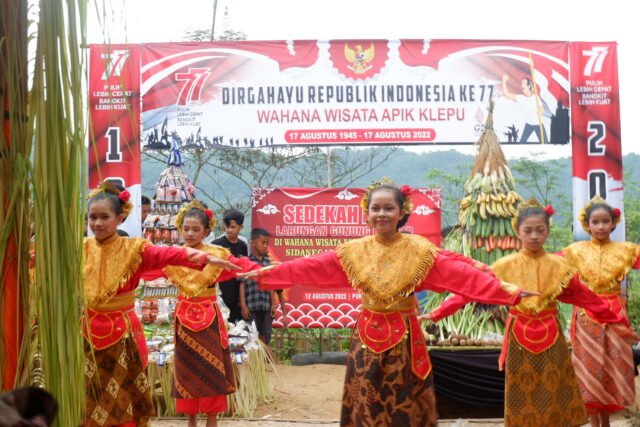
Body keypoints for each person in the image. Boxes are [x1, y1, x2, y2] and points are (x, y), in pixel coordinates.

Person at [239, 180, 535, 427]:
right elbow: (309, 267)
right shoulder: (353, 252)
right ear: (366, 212)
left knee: (403, 400)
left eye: (388, 208)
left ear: (401, 212)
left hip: (404, 337)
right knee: (364, 396)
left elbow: (461, 276)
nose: (382, 214)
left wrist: (507, 292)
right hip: (366, 338)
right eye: (375, 208)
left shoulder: (420, 251)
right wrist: (266, 272)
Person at [427, 200, 633, 427]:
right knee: (522, 392)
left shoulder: (559, 266)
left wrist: (617, 320)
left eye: (540, 230)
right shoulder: (505, 265)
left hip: (552, 334)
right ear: (518, 232)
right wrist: (439, 313)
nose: (534, 236)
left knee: (555, 389)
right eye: (528, 230)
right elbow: (471, 290)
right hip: (519, 334)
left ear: (547, 232)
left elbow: (586, 298)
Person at [83, 182, 240, 427]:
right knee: (89, 392)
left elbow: (167, 254)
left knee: (125, 392)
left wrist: (204, 257)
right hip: (87, 334)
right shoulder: (79, 250)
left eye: (105, 217)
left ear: (120, 217)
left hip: (124, 334)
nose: (98, 223)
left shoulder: (134, 250)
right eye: (93, 217)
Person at [162, 201, 259, 427]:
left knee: (211, 368)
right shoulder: (173, 255)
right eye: (186, 228)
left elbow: (238, 266)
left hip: (209, 319)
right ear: (180, 229)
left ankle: (212, 420)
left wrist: (261, 271)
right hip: (184, 319)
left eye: (196, 229)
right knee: (186, 369)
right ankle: (191, 421)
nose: (190, 233)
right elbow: (146, 266)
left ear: (206, 231)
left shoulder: (217, 254)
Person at [562, 196, 640, 427]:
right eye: (595, 222)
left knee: (613, 366)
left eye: (605, 221)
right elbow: (552, 271)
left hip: (615, 315)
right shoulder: (574, 251)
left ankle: (606, 421)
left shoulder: (625, 250)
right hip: (586, 318)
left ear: (613, 223)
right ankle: (595, 422)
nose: (600, 226)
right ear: (587, 225)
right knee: (589, 369)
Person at [239, 228, 277, 344]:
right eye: (263, 243)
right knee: (251, 335)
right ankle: (253, 360)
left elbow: (270, 284)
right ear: (253, 243)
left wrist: (273, 304)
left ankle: (264, 361)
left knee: (266, 334)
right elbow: (242, 283)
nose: (266, 246)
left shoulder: (268, 262)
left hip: (266, 305)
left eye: (267, 243)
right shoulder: (245, 261)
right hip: (251, 306)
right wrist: (243, 305)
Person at [213, 209, 248, 323]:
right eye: (226, 226)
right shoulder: (216, 245)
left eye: (233, 227)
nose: (228, 230)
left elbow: (243, 275)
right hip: (220, 299)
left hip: (237, 300)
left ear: (241, 227)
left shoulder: (242, 246)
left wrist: (243, 303)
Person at [502, 74, 549, 143]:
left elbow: (541, 108)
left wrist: (540, 111)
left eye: (524, 83)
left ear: (529, 86)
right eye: (521, 83)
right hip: (529, 125)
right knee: (522, 144)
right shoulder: (521, 98)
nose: (522, 85)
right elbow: (507, 94)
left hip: (538, 124)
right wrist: (504, 81)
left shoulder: (536, 98)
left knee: (546, 144)